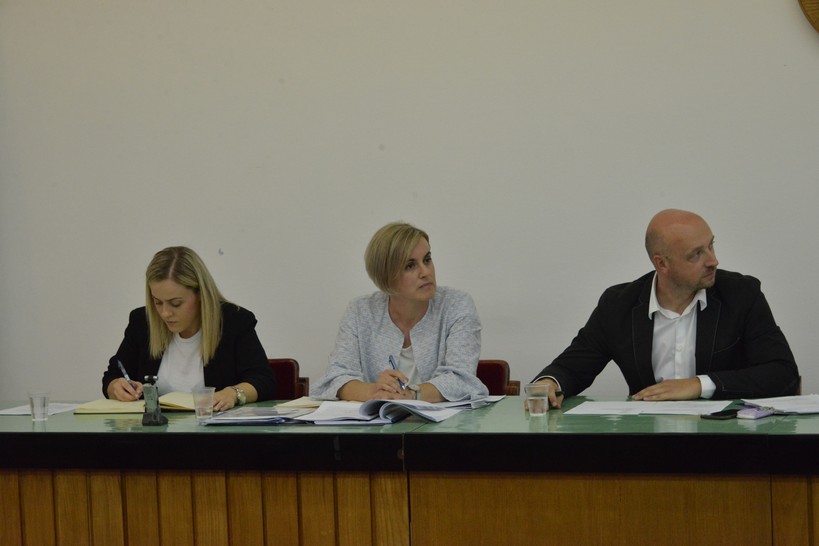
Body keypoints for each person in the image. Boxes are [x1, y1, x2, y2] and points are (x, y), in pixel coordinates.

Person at [532, 209, 799, 409]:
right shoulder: (619, 304)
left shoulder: (741, 294)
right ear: (662, 264)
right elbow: (573, 366)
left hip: (728, 439)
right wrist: (550, 383)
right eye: (697, 254)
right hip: (649, 441)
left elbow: (782, 373)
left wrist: (699, 385)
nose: (713, 260)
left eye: (711, 245)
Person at [311, 222, 488, 402]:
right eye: (410, 266)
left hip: (443, 420)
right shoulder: (360, 311)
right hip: (379, 420)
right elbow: (335, 378)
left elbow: (462, 379)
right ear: (387, 277)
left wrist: (411, 394)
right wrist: (376, 392)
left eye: (427, 260)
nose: (425, 272)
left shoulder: (456, 304)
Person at [103, 246, 276, 411]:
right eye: (158, 302)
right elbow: (113, 375)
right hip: (154, 430)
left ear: (200, 294)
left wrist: (232, 394)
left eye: (176, 303)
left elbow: (263, 380)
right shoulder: (142, 322)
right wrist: (116, 387)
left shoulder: (234, 321)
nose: (165, 313)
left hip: (213, 429)